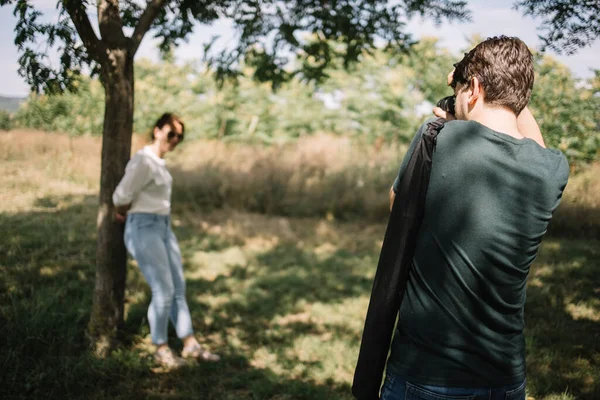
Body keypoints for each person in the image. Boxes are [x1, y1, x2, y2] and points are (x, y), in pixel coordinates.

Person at [382, 36, 569, 399]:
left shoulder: (439, 138)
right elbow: (527, 138)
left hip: (427, 375)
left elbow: (398, 209)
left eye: (461, 88)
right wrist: (497, 89)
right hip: (505, 379)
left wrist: (460, 96)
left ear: (474, 89)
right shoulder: (552, 169)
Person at [113, 113, 220, 368]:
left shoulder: (158, 162)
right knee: (163, 290)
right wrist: (123, 210)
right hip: (143, 226)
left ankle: (190, 344)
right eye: (171, 133)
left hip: (163, 225)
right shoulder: (143, 161)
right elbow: (120, 196)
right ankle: (160, 348)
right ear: (157, 130)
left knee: (178, 290)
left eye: (179, 137)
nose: (174, 140)